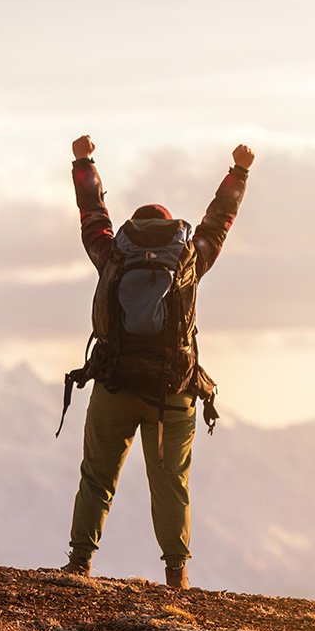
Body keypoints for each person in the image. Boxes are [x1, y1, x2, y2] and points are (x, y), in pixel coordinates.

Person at [60, 133, 252, 590]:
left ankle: (81, 561)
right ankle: (175, 573)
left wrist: (84, 161)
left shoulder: (111, 253)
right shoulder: (189, 257)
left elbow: (92, 214)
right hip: (172, 392)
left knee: (97, 476)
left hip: (116, 384)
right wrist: (239, 172)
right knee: (170, 484)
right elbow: (218, 221)